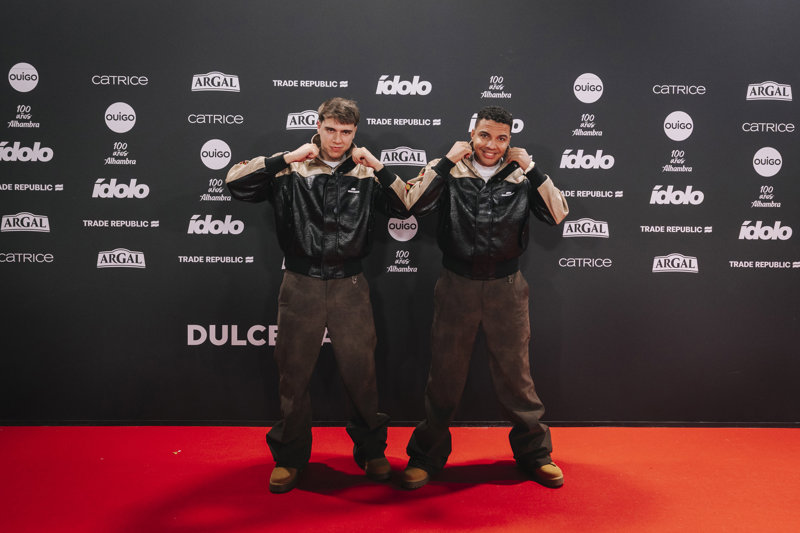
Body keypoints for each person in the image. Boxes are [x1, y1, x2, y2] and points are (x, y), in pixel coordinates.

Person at [225, 97, 409, 493]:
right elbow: (234, 183)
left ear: (355, 133)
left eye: (346, 132)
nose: (338, 139)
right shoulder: (290, 168)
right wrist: (286, 157)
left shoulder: (365, 172)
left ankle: (371, 451)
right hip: (300, 282)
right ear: (319, 126)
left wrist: (379, 166)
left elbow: (406, 207)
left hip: (351, 285)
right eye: (331, 130)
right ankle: (290, 457)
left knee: (361, 373)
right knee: (293, 374)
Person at [398, 105, 569, 489]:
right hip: (456, 285)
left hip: (507, 288)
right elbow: (413, 205)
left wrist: (532, 169)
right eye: (485, 135)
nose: (492, 145)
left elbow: (557, 214)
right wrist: (446, 162)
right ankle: (425, 456)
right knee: (444, 376)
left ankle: (535, 455)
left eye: (501, 138)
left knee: (517, 378)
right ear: (472, 135)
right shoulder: (450, 169)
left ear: (510, 142)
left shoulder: (521, 174)